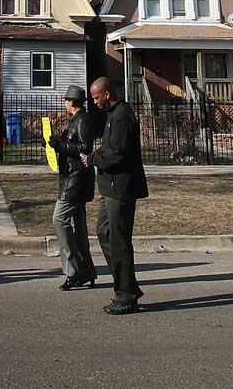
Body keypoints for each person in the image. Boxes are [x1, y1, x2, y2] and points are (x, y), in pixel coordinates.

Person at [82, 77, 148, 315]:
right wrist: (96, 154)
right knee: (104, 232)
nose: (95, 102)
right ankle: (128, 284)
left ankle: (126, 295)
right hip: (109, 187)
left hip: (121, 188)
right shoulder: (113, 115)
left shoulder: (122, 116)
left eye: (97, 97)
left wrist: (93, 159)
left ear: (107, 94)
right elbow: (108, 148)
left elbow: (118, 155)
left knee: (119, 240)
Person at [49, 85, 98, 291]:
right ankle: (86, 270)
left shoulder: (83, 120)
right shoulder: (75, 120)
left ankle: (74, 270)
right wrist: (57, 141)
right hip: (71, 177)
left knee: (59, 219)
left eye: (66, 100)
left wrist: (60, 145)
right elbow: (73, 144)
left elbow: (85, 148)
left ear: (72, 102)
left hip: (76, 181)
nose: (64, 104)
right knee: (78, 228)